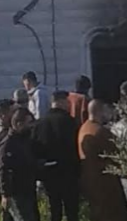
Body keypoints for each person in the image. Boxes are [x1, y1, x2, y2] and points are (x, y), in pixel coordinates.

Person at [31, 91, 79, 221]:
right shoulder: (69, 122)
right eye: (67, 102)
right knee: (72, 210)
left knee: (54, 209)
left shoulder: (39, 123)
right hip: (69, 172)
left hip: (49, 173)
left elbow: (34, 148)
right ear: (61, 102)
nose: (69, 105)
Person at [78, 100, 127, 221]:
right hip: (106, 181)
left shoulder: (84, 128)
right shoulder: (100, 132)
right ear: (100, 112)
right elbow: (116, 153)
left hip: (89, 179)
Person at [0, 108, 38, 221]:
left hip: (27, 189)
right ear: (19, 124)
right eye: (28, 123)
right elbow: (3, 170)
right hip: (16, 192)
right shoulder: (8, 144)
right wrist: (5, 194)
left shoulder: (24, 140)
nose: (31, 126)